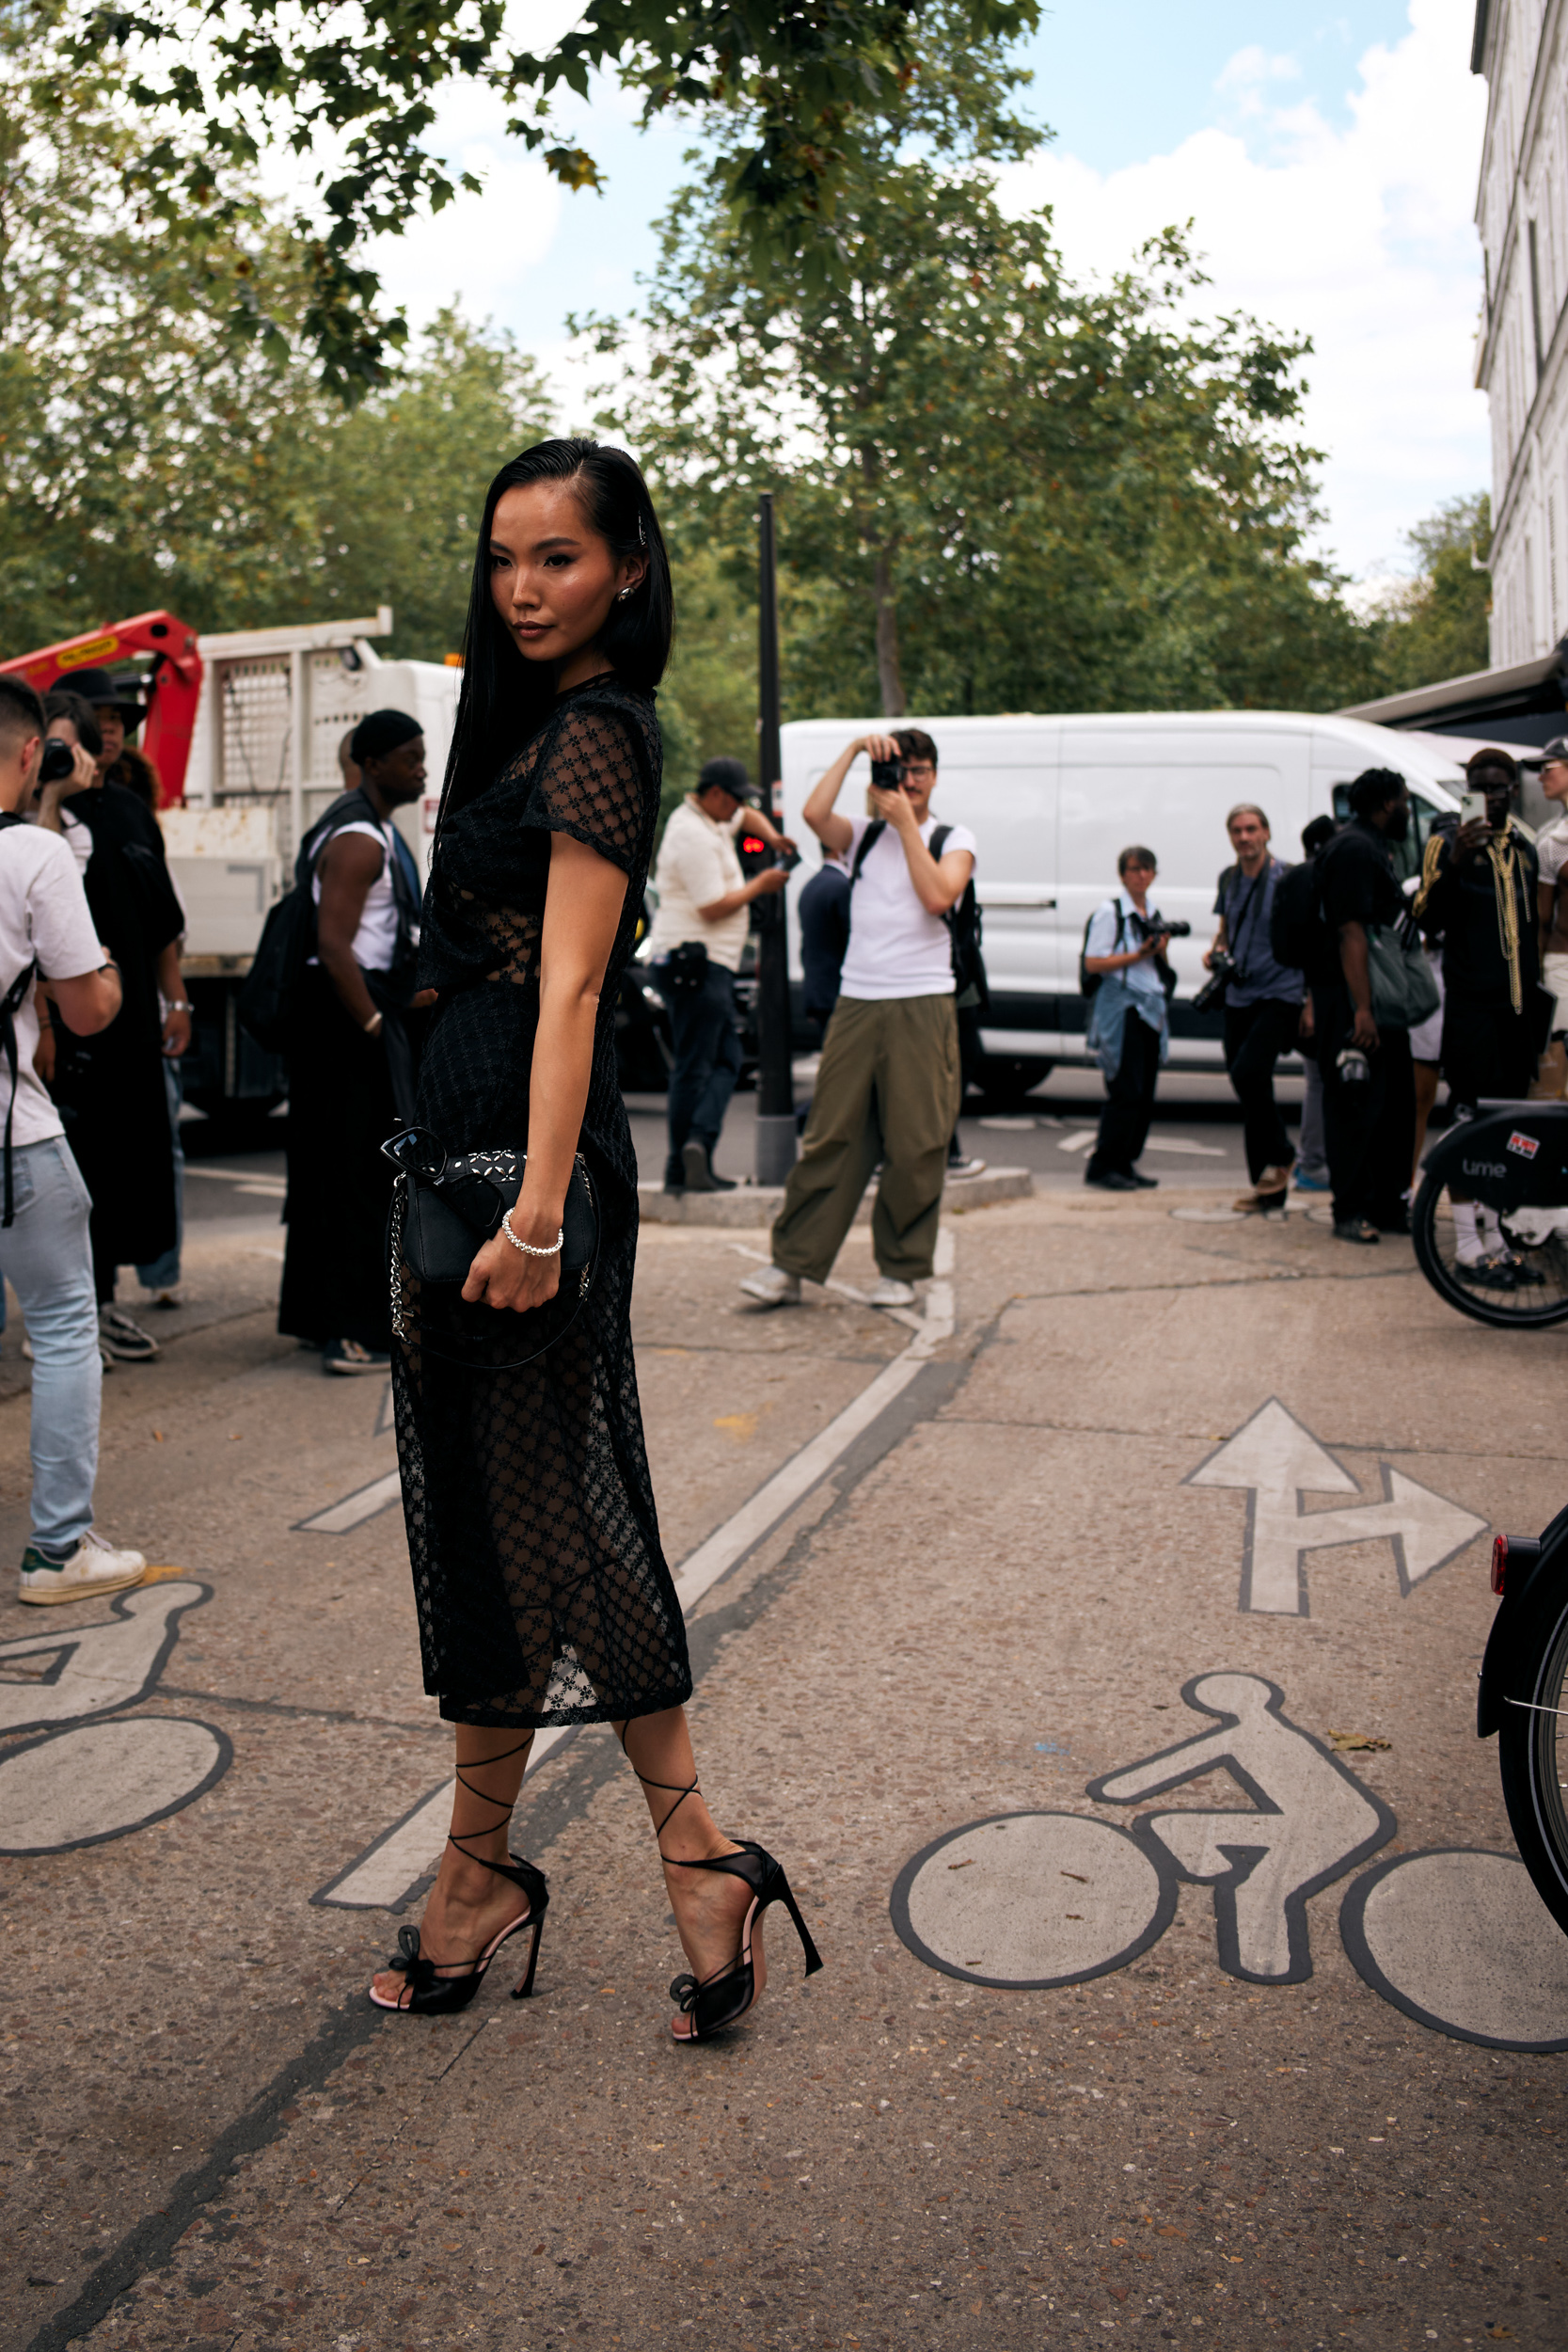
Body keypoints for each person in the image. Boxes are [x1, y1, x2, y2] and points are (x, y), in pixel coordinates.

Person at [372, 437, 819, 2039]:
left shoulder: (606, 733)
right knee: (512, 1532)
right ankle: (522, 1868)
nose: (522, 586)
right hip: (470, 1151)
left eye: (555, 556)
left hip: (527, 1177)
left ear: (627, 564)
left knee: (561, 1518)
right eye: (503, 558)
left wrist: (540, 1215)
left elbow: (570, 985)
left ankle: (660, 1855)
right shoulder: (525, 729)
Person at [739, 726, 974, 1308]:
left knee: (916, 1140)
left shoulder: (952, 836)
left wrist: (906, 827)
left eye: (919, 772)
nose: (908, 782)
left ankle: (900, 1268)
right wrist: (851, 753)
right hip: (858, 1000)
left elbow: (939, 897)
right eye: (898, 772)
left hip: (922, 1000)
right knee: (829, 1134)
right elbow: (815, 812)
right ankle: (790, 1264)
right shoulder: (861, 836)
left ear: (935, 777)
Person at [0, 677, 147, 1604]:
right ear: (29, 754)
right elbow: (88, 1009)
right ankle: (58, 1549)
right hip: (14, 1142)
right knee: (60, 1326)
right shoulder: (35, 855)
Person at [39, 691, 187, 1359]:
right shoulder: (32, 821)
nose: (104, 738)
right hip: (63, 1028)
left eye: (115, 726)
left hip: (126, 1024)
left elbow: (161, 918)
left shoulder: (128, 811)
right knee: (69, 1173)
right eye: (86, 730)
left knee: (127, 1168)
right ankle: (70, 1318)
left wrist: (175, 1000)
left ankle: (99, 1307)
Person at [278, 708, 426, 1375]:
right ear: (373, 764)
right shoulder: (360, 840)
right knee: (357, 1178)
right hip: (344, 1019)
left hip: (343, 1014)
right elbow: (333, 946)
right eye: (409, 757)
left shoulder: (361, 826)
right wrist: (372, 1024)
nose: (420, 767)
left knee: (332, 1172)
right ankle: (351, 1332)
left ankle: (321, 1319)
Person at [1414, 747, 1541, 1278]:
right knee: (1467, 1123)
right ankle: (1468, 1245)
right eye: (1482, 788)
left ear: (1514, 788)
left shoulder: (1526, 846)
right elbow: (1425, 917)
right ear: (1468, 788)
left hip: (1517, 1010)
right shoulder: (1446, 842)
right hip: (1470, 1009)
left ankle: (1496, 1242)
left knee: (1508, 1129)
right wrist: (1457, 862)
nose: (1492, 797)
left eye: (1501, 787)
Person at [645, 755, 795, 1192]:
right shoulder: (693, 835)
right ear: (714, 794)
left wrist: (773, 837)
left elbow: (746, 816)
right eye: (733, 800)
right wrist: (760, 885)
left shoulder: (709, 821)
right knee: (697, 1065)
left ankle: (696, 1150)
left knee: (725, 1059)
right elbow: (712, 906)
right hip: (697, 963)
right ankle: (684, 1163)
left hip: (709, 965)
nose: (738, 809)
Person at [1311, 768, 1416, 1245]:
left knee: (1392, 1108)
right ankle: (1349, 1211)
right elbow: (1351, 930)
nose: (1409, 810)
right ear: (1386, 804)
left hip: (1375, 999)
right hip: (1357, 1002)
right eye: (1406, 801)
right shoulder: (1354, 848)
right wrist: (1362, 1011)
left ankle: (1386, 1205)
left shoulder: (1369, 844)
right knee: (1355, 1108)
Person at [1205, 803, 1306, 1213]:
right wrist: (1217, 953)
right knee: (1250, 1088)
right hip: (1238, 993)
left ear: (1266, 832)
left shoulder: (1287, 877)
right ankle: (1267, 1191)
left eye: (1251, 829)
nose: (1244, 837)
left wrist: (1310, 999)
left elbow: (1305, 938)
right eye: (1236, 831)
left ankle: (1282, 1154)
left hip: (1280, 991)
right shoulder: (1228, 878)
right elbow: (1225, 929)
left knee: (1249, 1072)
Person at [1082, 846, 1172, 1192]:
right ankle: (1104, 1165)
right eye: (1135, 869)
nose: (1142, 876)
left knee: (1145, 1092)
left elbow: (1157, 963)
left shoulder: (1152, 911)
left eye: (1148, 869)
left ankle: (1127, 1162)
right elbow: (1094, 962)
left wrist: (1159, 950)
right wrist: (1138, 954)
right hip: (1121, 1009)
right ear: (1123, 874)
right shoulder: (1110, 913)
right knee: (1125, 1090)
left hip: (1150, 1007)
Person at [1291, 816, 1335, 1192]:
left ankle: (1312, 1160)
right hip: (1316, 999)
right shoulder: (1314, 882)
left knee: (1317, 1081)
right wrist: (1309, 1002)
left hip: (1311, 997)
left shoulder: (1302, 879)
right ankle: (1312, 1163)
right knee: (1319, 1081)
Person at [1530, 735, 1568, 1098]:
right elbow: (1540, 918)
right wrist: (1535, 975)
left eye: (1548, 768)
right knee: (1558, 1058)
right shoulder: (1552, 841)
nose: (1541, 777)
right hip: (1562, 963)